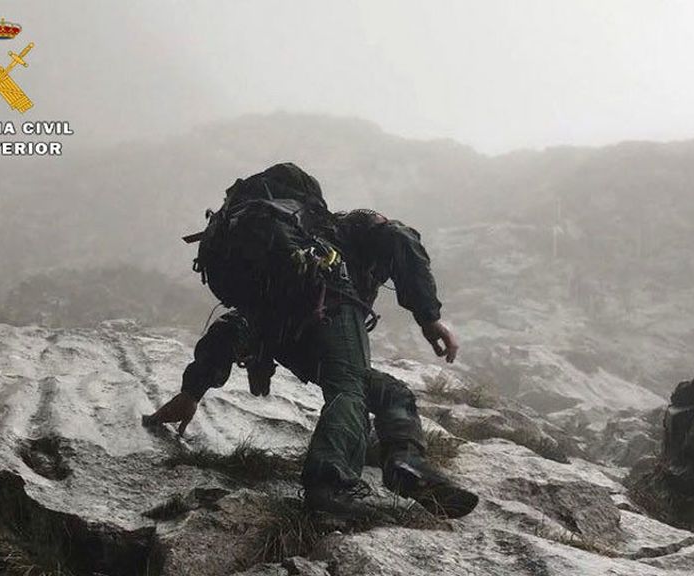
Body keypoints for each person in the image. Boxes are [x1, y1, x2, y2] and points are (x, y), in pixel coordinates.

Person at [143, 164, 478, 518]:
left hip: (282, 330)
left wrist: (191, 392)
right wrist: (430, 319)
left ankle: (393, 457)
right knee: (354, 388)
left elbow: (231, 329)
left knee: (382, 391)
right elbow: (400, 238)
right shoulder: (345, 229)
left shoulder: (273, 270)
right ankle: (332, 487)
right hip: (326, 308)